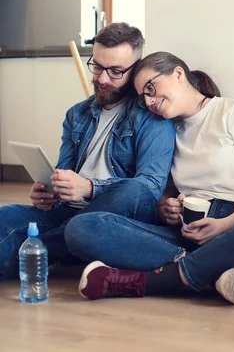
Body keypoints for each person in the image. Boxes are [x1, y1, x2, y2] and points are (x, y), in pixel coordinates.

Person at [64, 51, 234, 305]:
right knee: (81, 228)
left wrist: (225, 225)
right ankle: (215, 272)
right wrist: (166, 206)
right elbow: (163, 189)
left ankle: (156, 280)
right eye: (143, 97)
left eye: (151, 88)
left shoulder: (233, 109)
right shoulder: (165, 130)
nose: (149, 100)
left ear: (178, 73)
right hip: (185, 233)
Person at [0, 24, 176, 281]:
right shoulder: (77, 114)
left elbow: (149, 188)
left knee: (133, 191)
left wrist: (90, 188)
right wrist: (51, 191)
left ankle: (39, 252)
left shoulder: (151, 116)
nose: (103, 79)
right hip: (68, 212)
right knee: (6, 215)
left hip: (112, 217)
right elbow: (65, 171)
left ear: (135, 70)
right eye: (97, 66)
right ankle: (49, 252)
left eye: (115, 71)